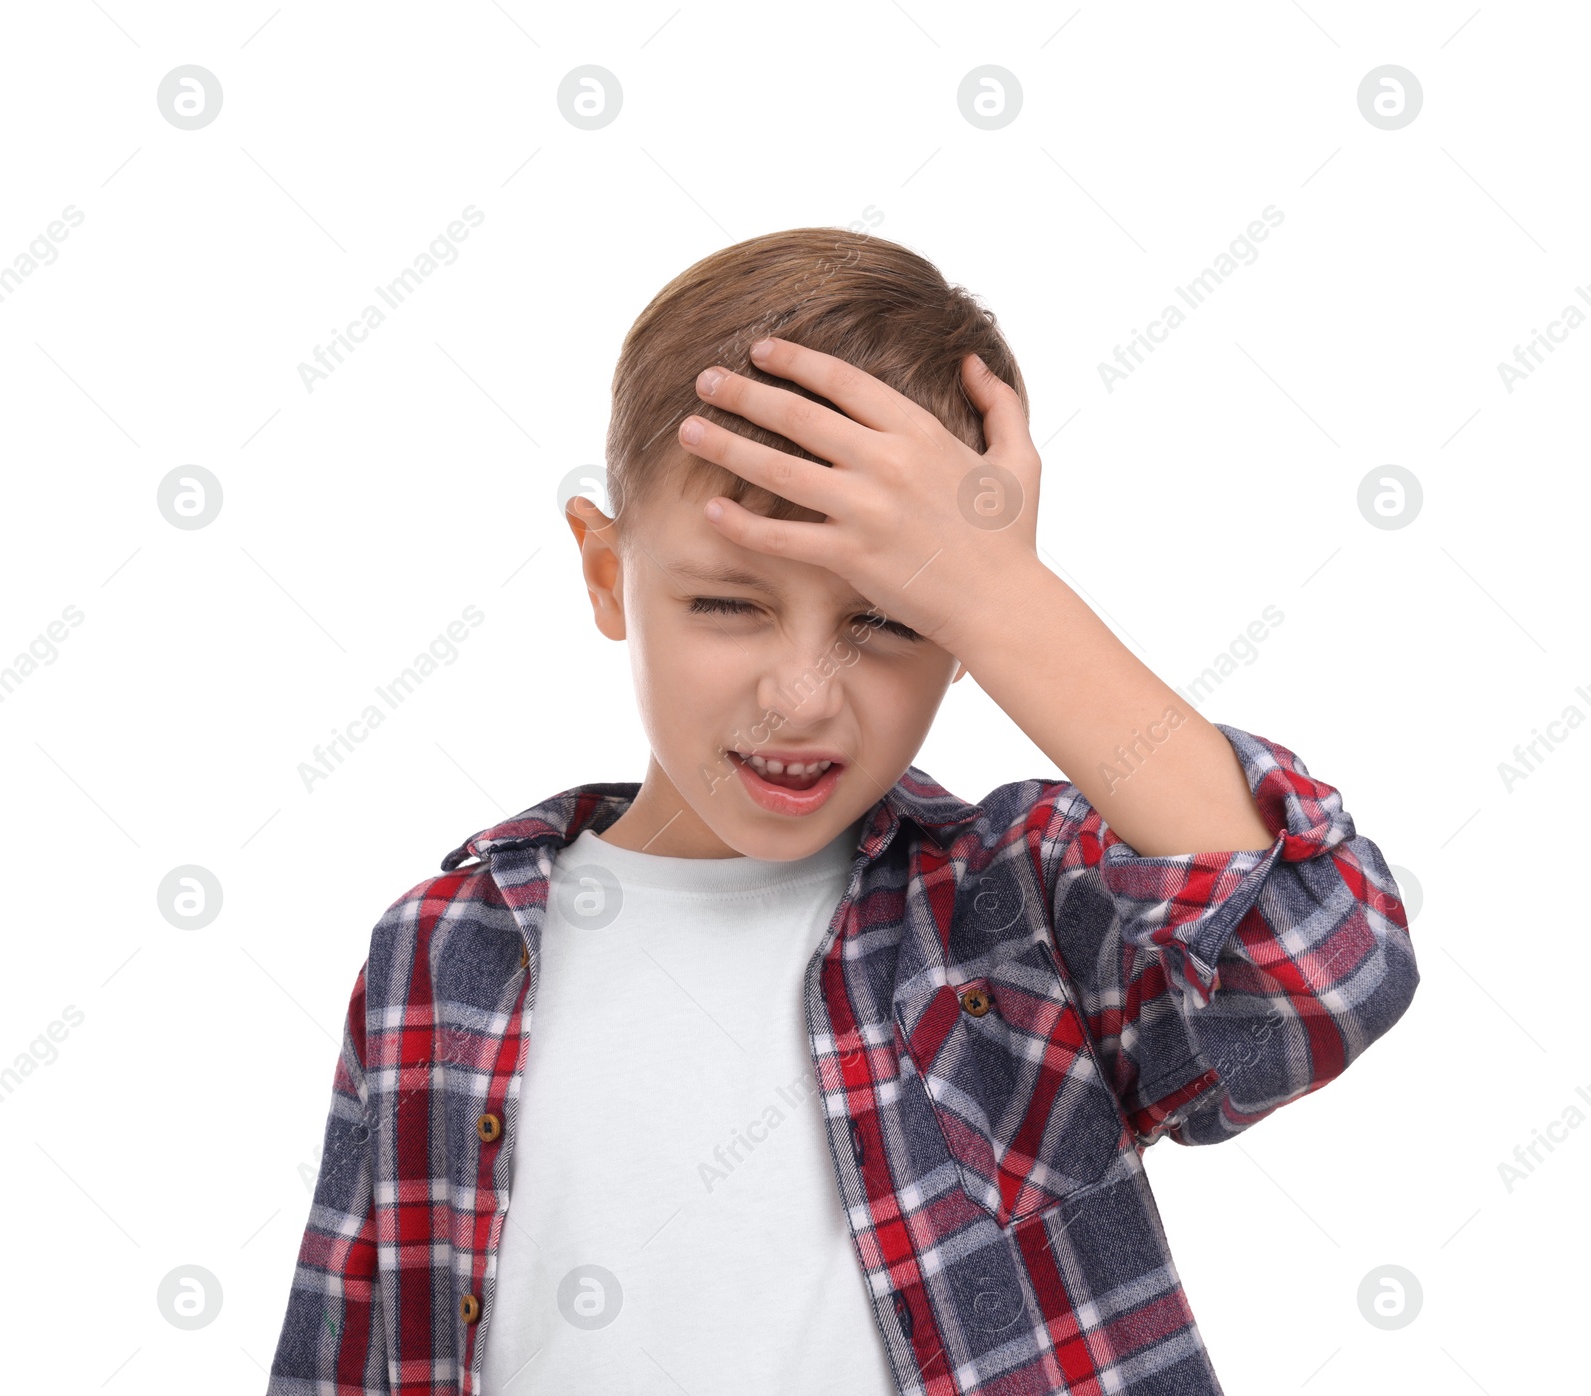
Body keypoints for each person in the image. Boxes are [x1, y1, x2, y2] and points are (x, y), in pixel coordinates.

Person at [265, 227, 1419, 1396]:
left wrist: (998, 592)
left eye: (888, 620)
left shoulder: (1016, 914)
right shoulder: (440, 956)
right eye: (727, 602)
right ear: (606, 573)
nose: (800, 695)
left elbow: (1320, 965)